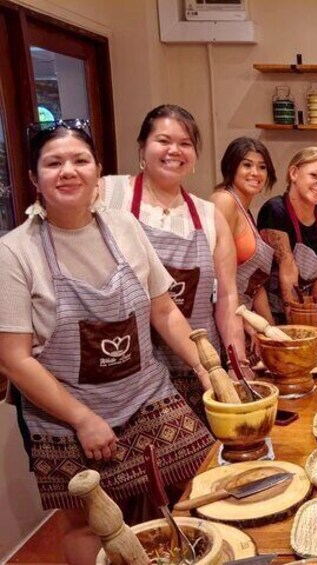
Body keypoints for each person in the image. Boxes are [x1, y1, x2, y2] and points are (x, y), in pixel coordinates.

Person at [0, 121, 214, 563]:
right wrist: (82, 420)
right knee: (90, 522)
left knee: (196, 481)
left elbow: (163, 311)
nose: (68, 171)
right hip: (67, 415)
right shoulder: (14, 252)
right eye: (53, 163)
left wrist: (203, 368)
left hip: (146, 395)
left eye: (80, 160)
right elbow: (14, 360)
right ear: (34, 177)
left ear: (98, 170)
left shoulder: (125, 227)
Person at [101, 104, 244, 420]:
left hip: (199, 366)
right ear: (142, 148)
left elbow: (227, 297)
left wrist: (237, 365)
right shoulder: (109, 195)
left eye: (185, 144)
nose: (174, 151)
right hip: (132, 368)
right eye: (163, 140)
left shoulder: (209, 215)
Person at [257, 147, 317, 322]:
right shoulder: (275, 211)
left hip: (305, 309)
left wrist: (312, 314)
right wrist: (297, 325)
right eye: (314, 175)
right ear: (294, 173)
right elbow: (288, 271)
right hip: (269, 313)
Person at [210, 137, 277, 324]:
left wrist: (269, 325)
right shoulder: (224, 201)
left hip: (243, 313)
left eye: (262, 167)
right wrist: (247, 322)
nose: (255, 173)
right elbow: (214, 272)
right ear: (231, 167)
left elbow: (255, 283)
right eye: (247, 165)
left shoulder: (245, 210)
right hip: (223, 315)